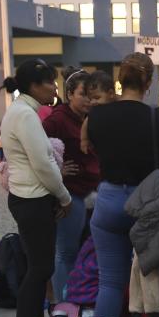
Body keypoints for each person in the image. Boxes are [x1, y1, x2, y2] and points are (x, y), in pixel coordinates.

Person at [87, 53, 159, 317]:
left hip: (109, 199)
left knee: (110, 283)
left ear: (119, 80)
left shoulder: (97, 116)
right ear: (148, 82)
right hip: (147, 203)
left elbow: (95, 150)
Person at [0, 59, 72, 317]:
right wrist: (64, 196)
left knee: (37, 267)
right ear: (33, 85)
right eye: (49, 82)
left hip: (28, 198)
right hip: (32, 199)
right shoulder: (25, 115)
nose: (54, 88)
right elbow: (44, 163)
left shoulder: (21, 111)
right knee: (39, 270)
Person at [43, 67, 99, 301]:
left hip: (94, 191)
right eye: (83, 94)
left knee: (84, 251)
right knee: (65, 251)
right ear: (69, 95)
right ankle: (65, 307)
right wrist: (57, 169)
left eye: (92, 95)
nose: (88, 100)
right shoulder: (57, 119)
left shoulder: (91, 119)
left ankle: (79, 300)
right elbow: (36, 150)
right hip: (70, 194)